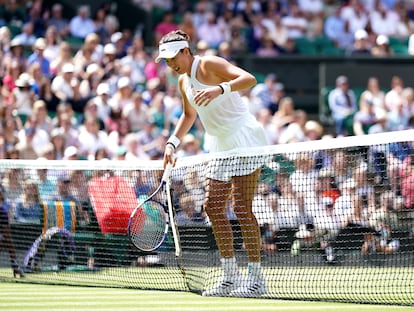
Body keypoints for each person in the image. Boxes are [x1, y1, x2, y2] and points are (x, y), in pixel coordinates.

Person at [157, 30, 268, 298]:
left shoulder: (209, 64)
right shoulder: (184, 82)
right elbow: (188, 115)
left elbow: (249, 79)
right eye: (166, 61)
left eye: (174, 58)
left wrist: (221, 88)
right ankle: (230, 275)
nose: (171, 64)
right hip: (218, 144)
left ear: (186, 51)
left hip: (243, 139)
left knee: (242, 208)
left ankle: (256, 280)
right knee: (213, 207)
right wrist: (172, 143)